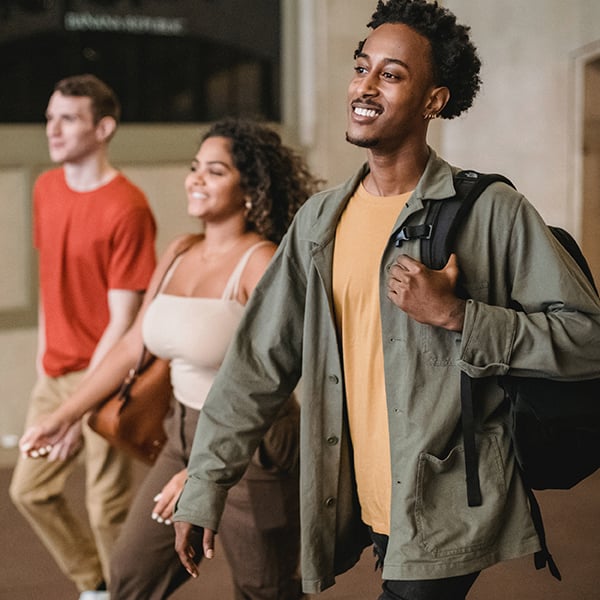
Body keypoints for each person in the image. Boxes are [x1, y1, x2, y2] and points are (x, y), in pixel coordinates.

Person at [171, 2, 600, 599]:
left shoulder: (491, 212)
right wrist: (205, 484)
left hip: (447, 499)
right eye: (361, 67)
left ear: (434, 100)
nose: (365, 87)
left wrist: (459, 316)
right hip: (360, 496)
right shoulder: (322, 219)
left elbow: (588, 340)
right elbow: (257, 363)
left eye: (392, 74)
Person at [19, 117, 321, 599]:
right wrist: (64, 415)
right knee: (131, 577)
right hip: (182, 437)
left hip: (253, 446)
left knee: (265, 590)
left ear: (250, 188)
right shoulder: (180, 251)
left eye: (215, 171)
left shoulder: (260, 262)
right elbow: (133, 344)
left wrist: (209, 465)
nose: (196, 178)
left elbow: (279, 375)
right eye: (195, 167)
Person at [9, 74, 157, 599]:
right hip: (56, 372)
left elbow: (122, 321)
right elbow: (52, 284)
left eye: (68, 118)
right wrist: (46, 369)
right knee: (30, 490)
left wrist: (77, 405)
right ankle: (94, 585)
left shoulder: (128, 207)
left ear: (104, 127)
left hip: (107, 375)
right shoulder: (46, 189)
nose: (53, 128)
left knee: (106, 507)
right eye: (50, 117)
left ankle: (125, 593)